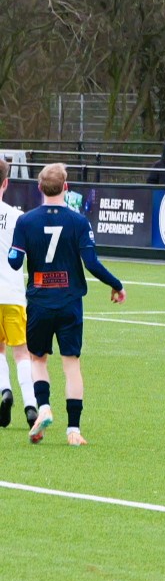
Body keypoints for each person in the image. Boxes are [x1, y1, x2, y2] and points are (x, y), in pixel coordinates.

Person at [8, 163, 127, 445]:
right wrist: (117, 284)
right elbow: (92, 264)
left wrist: (16, 248)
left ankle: (45, 406)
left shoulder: (25, 222)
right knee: (71, 364)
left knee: (38, 360)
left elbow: (14, 262)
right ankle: (73, 429)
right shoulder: (78, 222)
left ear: (39, 188)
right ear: (66, 187)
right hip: (70, 302)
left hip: (39, 301)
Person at [0, 158, 36, 428]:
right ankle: (30, 404)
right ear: (6, 183)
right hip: (12, 292)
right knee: (21, 352)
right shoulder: (16, 217)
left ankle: (4, 390)